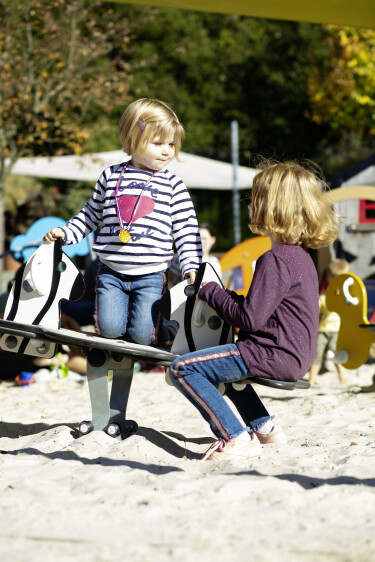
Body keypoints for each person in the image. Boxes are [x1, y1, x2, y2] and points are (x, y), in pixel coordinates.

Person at [169, 160, 341, 462]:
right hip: (294, 356)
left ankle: (235, 436)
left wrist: (209, 290)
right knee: (231, 377)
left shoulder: (274, 258)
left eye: (256, 198)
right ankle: (266, 428)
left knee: (184, 368)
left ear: (273, 207)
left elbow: (249, 318)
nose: (251, 205)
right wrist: (228, 296)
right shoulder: (301, 257)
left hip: (270, 353)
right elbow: (265, 307)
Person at [44, 98, 202, 346]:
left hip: (151, 273)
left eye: (171, 144)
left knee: (141, 336)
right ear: (133, 139)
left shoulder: (173, 185)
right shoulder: (111, 175)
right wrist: (67, 232)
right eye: (158, 143)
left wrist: (191, 265)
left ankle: (163, 329)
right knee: (109, 330)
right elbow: (91, 213)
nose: (167, 150)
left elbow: (186, 228)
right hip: (111, 272)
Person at [308, 259, 350, 385]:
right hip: (323, 330)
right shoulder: (323, 295)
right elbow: (318, 312)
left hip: (337, 330)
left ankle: (342, 377)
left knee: (335, 354)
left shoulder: (346, 296)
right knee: (317, 355)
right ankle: (312, 379)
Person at [168, 222, 221, 287]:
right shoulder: (183, 258)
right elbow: (169, 279)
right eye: (198, 239)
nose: (201, 242)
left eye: (204, 238)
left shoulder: (215, 262)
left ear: (213, 240)